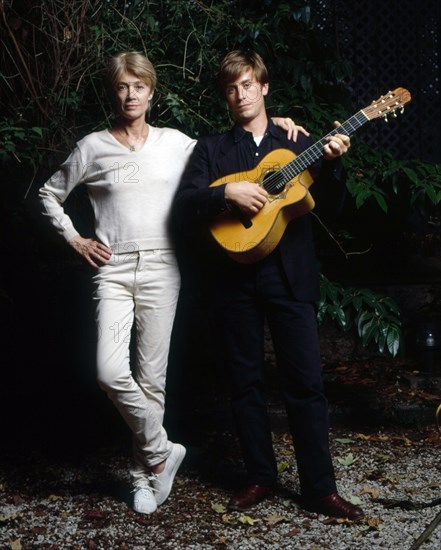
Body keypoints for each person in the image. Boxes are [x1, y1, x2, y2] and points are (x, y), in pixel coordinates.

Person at [38, 51, 306, 515]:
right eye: (122, 87)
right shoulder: (92, 146)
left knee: (151, 381)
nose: (130, 95)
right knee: (109, 372)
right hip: (114, 269)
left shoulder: (178, 143)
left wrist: (273, 125)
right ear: (113, 93)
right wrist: (76, 239)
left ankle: (146, 477)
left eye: (138, 86)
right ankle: (164, 450)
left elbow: (229, 153)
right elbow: (48, 193)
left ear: (151, 91)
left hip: (164, 268)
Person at [172, 50, 364, 520]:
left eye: (247, 85)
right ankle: (260, 476)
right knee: (245, 384)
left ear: (264, 87)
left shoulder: (297, 143)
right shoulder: (211, 149)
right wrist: (226, 192)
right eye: (231, 89)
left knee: (306, 384)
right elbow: (185, 204)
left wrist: (334, 163)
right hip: (233, 278)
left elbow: (333, 206)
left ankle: (320, 488)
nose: (240, 95)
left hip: (290, 277)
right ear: (227, 96)